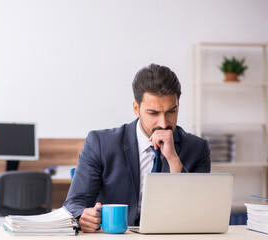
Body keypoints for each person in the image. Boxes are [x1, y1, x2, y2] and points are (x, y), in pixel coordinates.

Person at [63, 63, 211, 233]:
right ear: (136, 109)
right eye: (153, 113)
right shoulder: (100, 143)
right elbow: (74, 202)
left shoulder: (198, 148)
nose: (163, 123)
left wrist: (173, 161)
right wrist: (83, 216)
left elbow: (198, 212)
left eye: (171, 111)